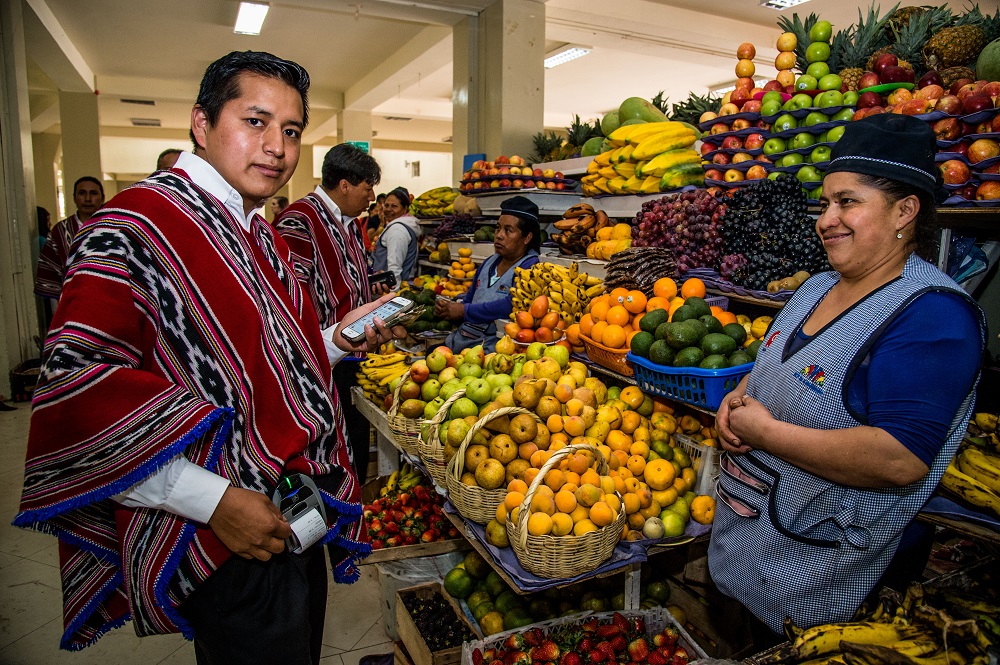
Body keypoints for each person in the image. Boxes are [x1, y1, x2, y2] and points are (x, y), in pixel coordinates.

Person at [14, 50, 405, 662]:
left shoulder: (255, 231)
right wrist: (214, 501)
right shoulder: (136, 226)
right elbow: (77, 395)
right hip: (225, 530)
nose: (277, 146)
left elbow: (269, 365)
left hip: (294, 508)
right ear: (201, 123)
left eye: (292, 130)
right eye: (256, 121)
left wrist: (334, 340)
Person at [708, 114, 986, 640]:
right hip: (746, 546)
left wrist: (766, 433)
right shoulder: (816, 286)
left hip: (824, 574)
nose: (825, 219)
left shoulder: (932, 317)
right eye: (826, 202)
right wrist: (736, 401)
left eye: (848, 202)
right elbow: (773, 367)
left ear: (906, 211)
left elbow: (899, 458)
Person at [274, 143, 381, 482]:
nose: (372, 196)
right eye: (368, 187)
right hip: (323, 357)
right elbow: (291, 296)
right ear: (345, 184)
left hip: (351, 352)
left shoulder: (349, 223)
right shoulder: (300, 220)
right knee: (331, 447)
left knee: (355, 442)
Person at [436, 195, 540, 353]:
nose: (499, 235)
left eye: (508, 230)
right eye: (498, 228)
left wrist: (464, 311)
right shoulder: (490, 262)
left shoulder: (530, 267)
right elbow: (471, 297)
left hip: (494, 349)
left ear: (527, 238)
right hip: (462, 341)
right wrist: (450, 308)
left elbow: (510, 304)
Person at [34, 176, 105, 302]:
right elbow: (51, 272)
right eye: (82, 193)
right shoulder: (60, 231)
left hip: (107, 299)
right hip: (71, 302)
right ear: (74, 198)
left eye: (93, 193)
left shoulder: (114, 228)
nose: (88, 199)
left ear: (102, 198)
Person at [371, 187, 421, 286]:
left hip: (386, 289)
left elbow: (394, 268)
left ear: (405, 208)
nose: (388, 209)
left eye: (394, 206)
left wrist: (392, 295)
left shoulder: (397, 230)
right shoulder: (398, 226)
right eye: (386, 205)